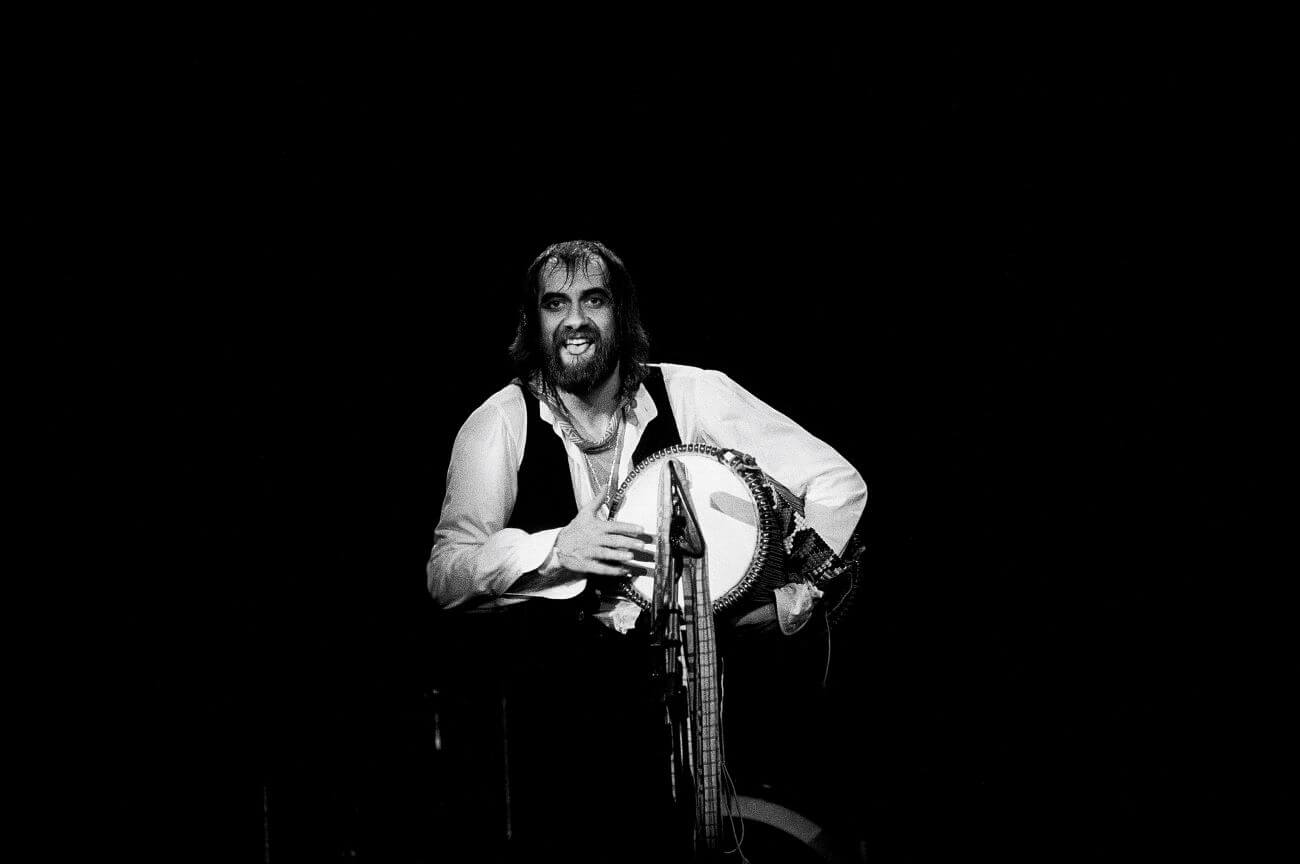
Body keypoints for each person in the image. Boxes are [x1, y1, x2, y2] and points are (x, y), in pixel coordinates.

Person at [427, 239, 867, 861]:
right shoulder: (500, 422)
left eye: (594, 300)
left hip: (715, 684)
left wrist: (798, 583)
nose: (575, 320)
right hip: (568, 725)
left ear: (622, 313)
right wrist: (556, 548)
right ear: (536, 322)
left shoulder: (692, 394)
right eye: (556, 304)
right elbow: (445, 575)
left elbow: (838, 485)